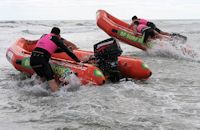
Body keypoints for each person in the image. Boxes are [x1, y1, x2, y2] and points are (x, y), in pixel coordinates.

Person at [30, 27, 81, 92]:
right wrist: (78, 61)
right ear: (58, 35)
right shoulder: (56, 39)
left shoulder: (44, 36)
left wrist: (63, 49)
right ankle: (57, 98)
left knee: (43, 79)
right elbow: (68, 52)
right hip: (42, 60)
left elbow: (49, 49)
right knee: (52, 83)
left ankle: (39, 94)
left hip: (32, 59)